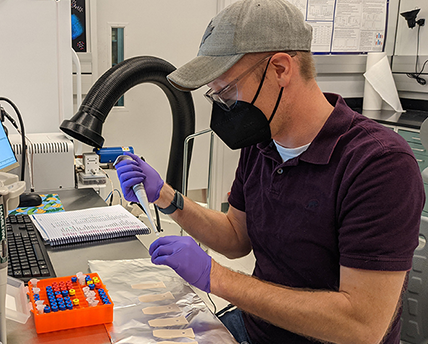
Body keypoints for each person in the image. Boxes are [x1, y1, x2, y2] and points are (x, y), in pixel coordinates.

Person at [114, 0, 425, 343]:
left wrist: (216, 278)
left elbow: (361, 327)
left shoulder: (378, 164)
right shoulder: (262, 142)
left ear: (280, 69)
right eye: (215, 95)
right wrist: (167, 197)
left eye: (227, 91)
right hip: (256, 329)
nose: (224, 108)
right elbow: (235, 237)